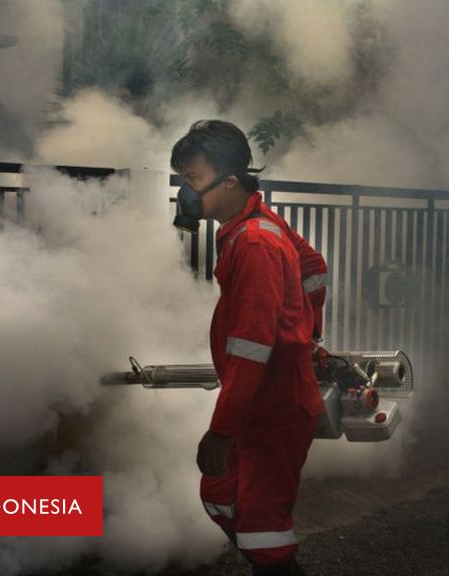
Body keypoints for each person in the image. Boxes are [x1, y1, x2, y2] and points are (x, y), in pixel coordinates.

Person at [170, 120, 328, 576]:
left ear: (230, 180)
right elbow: (314, 268)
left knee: (264, 533)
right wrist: (305, 330)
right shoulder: (251, 225)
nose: (187, 191)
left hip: (271, 405)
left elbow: (251, 349)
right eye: (184, 180)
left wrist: (221, 429)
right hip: (258, 401)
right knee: (219, 495)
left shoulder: (255, 242)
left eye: (194, 179)